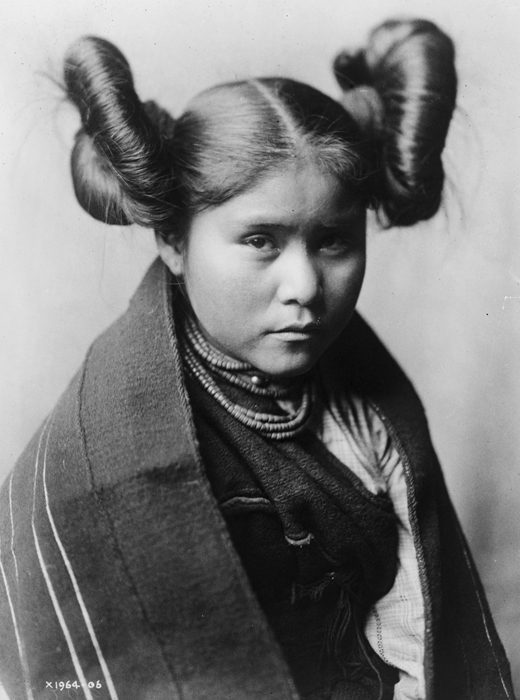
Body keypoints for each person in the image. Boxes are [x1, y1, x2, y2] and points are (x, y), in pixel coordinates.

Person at [0, 17, 514, 700]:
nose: (304, 287)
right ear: (174, 241)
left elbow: (418, 633)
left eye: (332, 241)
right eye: (260, 241)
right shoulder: (96, 476)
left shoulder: (369, 414)